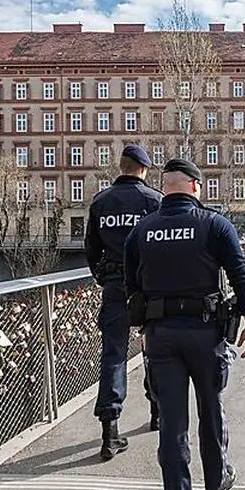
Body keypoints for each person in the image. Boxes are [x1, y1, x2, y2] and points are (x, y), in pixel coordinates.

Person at [124, 158, 245, 490]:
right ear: (196, 187)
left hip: (161, 335)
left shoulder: (143, 231)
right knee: (210, 409)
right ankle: (215, 484)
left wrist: (144, 325)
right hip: (205, 332)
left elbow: (130, 284)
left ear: (165, 187)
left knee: (172, 422)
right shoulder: (214, 224)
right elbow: (240, 273)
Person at [84, 144, 163, 460]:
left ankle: (110, 432)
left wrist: (103, 277)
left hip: (115, 286)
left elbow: (91, 249)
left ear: (120, 167)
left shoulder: (101, 202)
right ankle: (157, 412)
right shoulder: (154, 201)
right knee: (154, 349)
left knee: (114, 355)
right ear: (143, 169)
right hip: (149, 287)